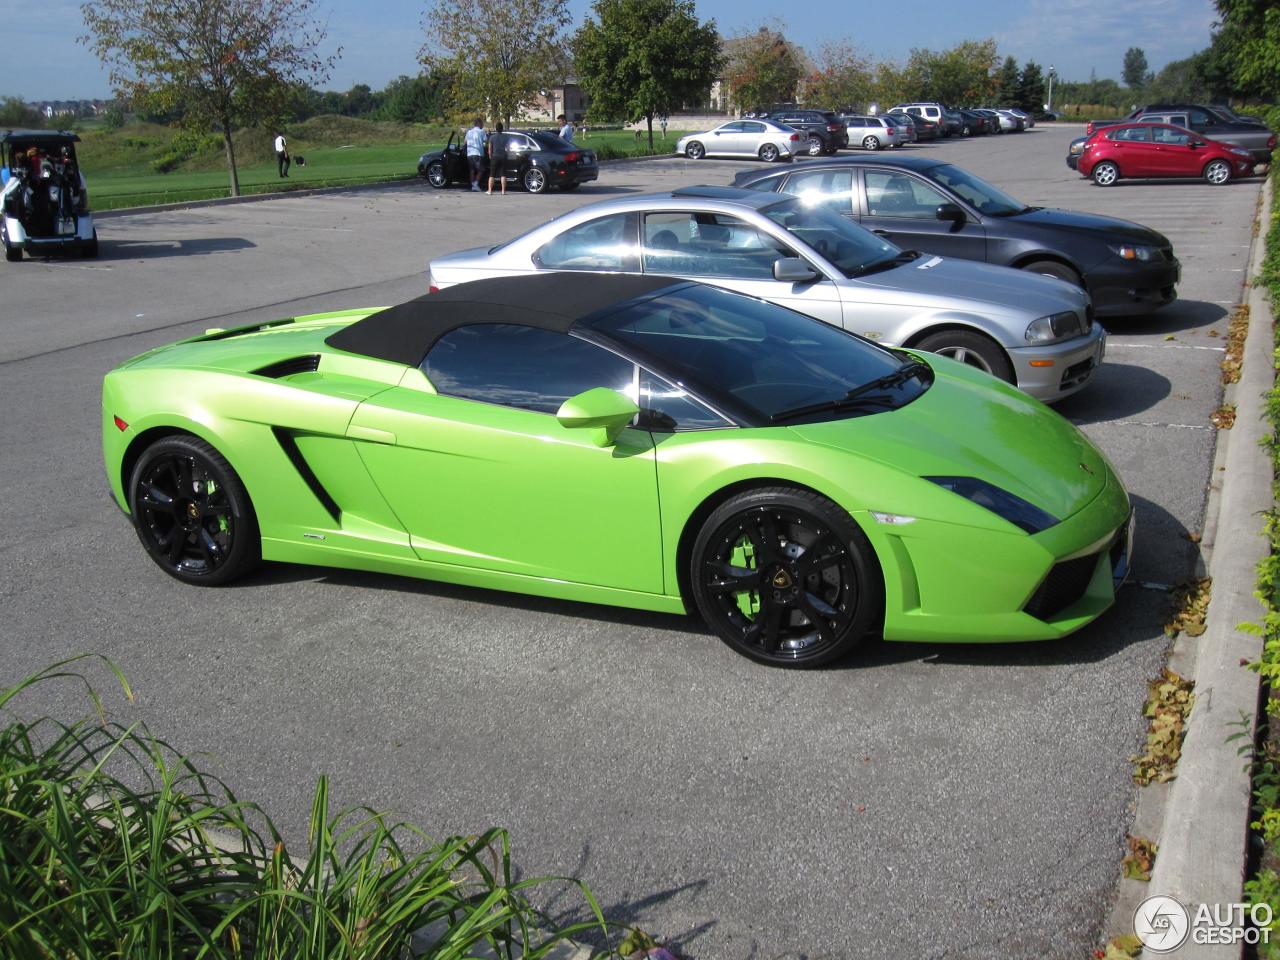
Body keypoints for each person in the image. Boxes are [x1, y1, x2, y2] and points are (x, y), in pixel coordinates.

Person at [463, 117, 486, 192]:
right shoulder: (481, 131)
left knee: (472, 170)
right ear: (479, 123)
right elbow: (486, 140)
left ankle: (473, 185)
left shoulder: (469, 132)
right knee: (481, 169)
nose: (483, 124)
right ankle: (475, 184)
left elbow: (465, 142)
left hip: (469, 153)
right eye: (482, 123)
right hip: (477, 153)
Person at [486, 122, 508, 195]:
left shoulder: (492, 137)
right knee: (503, 174)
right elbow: (507, 147)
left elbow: (489, 149)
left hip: (495, 156)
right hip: (503, 156)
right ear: (502, 129)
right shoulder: (505, 137)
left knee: (492, 174)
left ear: (496, 129)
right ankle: (503, 191)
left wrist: (490, 156)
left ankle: (490, 190)